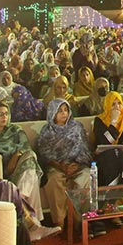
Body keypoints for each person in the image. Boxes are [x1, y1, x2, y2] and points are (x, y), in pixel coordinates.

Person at [0, 101, 46, 222]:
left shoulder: (16, 131)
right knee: (33, 178)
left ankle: (20, 198)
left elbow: (26, 148)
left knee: (30, 158)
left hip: (18, 170)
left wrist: (15, 157)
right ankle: (34, 220)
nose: (4, 117)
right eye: (0, 114)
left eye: (6, 113)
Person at [36, 98, 92, 234]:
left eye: (66, 110)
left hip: (77, 164)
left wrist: (76, 164)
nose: (63, 114)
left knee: (85, 178)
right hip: (56, 166)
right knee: (54, 181)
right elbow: (44, 154)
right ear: (52, 113)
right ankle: (59, 223)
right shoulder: (46, 131)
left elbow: (84, 149)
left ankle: (80, 223)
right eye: (59, 111)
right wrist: (61, 166)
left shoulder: (76, 127)